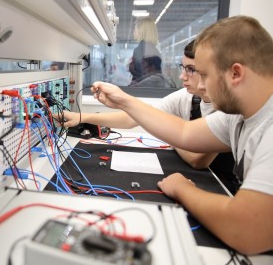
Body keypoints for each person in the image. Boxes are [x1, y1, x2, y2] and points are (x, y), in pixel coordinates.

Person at [90, 16, 273, 255]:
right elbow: (184, 133)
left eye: (204, 75)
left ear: (235, 74)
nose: (202, 86)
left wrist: (181, 189)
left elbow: (246, 230)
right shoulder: (238, 115)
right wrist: (123, 100)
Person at [60, 40, 238, 193]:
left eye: (191, 69)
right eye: (182, 68)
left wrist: (169, 134)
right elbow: (133, 118)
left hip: (219, 184)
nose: (182, 76)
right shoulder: (188, 97)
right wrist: (80, 117)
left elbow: (196, 158)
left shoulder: (226, 107)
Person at [128, 17, 174, 87]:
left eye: (135, 28)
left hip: (144, 91)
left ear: (142, 30)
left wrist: (135, 86)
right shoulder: (150, 49)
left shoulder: (143, 49)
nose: (134, 31)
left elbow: (150, 77)